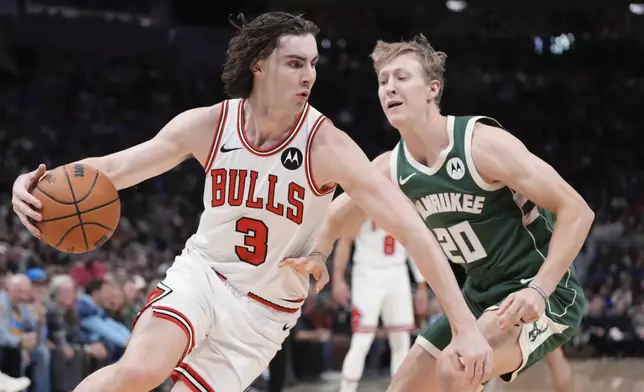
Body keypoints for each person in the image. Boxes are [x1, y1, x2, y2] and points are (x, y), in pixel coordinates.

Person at [11, 13, 491, 392]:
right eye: (295, 63)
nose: (309, 75)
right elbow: (113, 171)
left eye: (313, 64)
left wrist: (464, 326)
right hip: (203, 276)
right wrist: (35, 185)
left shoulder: (327, 146)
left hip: (265, 312)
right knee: (140, 369)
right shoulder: (208, 125)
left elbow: (410, 228)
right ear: (259, 64)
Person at [301, 34, 592, 391]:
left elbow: (578, 210)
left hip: (541, 292)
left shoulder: (480, 145)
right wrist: (318, 252)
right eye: (382, 80)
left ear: (432, 89)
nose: (389, 87)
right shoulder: (392, 168)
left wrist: (538, 290)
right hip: (478, 294)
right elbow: (336, 218)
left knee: (455, 370)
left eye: (401, 77)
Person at [332, 219, 426, 392]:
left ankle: (399, 389)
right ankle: (346, 389)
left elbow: (413, 245)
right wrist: (338, 278)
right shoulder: (361, 203)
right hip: (367, 275)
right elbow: (345, 241)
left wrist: (421, 284)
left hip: (397, 273)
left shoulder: (401, 203)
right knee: (362, 339)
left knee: (401, 340)